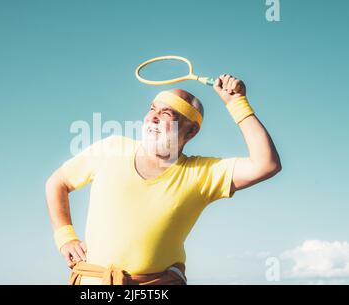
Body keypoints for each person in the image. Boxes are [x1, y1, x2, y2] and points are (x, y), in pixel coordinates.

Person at [45, 74, 282, 285]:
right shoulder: (112, 148)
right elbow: (57, 182)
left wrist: (236, 103)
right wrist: (65, 237)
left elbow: (266, 164)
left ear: (191, 132)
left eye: (167, 113)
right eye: (152, 109)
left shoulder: (201, 173)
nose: (154, 118)